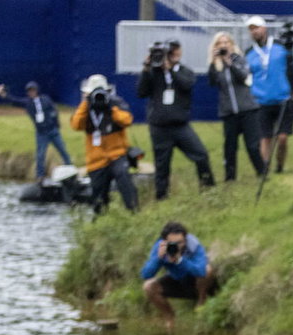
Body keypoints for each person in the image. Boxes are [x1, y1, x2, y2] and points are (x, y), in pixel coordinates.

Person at [138, 40, 215, 200]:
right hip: (159, 126)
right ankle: (161, 197)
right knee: (162, 165)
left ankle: (209, 190)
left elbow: (186, 85)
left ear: (179, 53)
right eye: (169, 52)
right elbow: (141, 92)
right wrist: (146, 69)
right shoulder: (154, 72)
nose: (171, 55)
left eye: (173, 52)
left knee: (201, 155)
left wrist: (170, 69)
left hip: (180, 125)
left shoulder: (185, 71)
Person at [70, 75, 138, 213]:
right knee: (98, 196)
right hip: (96, 159)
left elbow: (127, 121)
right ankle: (100, 218)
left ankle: (134, 211)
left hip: (117, 154)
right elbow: (76, 125)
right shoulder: (86, 108)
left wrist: (110, 107)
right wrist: (85, 103)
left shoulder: (116, 103)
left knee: (124, 180)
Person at [206, 33, 265, 183]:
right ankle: (230, 178)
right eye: (220, 43)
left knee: (252, 145)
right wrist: (215, 62)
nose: (224, 45)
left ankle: (262, 173)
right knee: (230, 147)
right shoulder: (216, 65)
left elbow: (244, 76)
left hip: (248, 109)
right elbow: (212, 82)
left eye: (226, 42)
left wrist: (229, 62)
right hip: (229, 112)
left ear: (232, 44)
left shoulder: (240, 59)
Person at [246, 16, 293, 175]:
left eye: (256, 27)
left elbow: (292, 67)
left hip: (283, 98)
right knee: (265, 137)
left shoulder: (280, 47)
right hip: (261, 101)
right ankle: (264, 170)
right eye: (251, 29)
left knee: (282, 137)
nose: (255, 31)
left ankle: (279, 166)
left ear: (264, 28)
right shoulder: (249, 53)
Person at [0, 80, 72, 181]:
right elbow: (14, 101)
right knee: (40, 154)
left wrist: (56, 124)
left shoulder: (45, 99)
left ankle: (71, 169)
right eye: (29, 91)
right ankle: (40, 176)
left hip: (52, 130)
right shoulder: (28, 103)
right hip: (41, 133)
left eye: (33, 90)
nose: (31, 92)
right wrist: (4, 94)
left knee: (62, 149)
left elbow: (54, 110)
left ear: (37, 90)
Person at [140, 221, 212, 327]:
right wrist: (158, 258)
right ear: (165, 241)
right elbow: (145, 274)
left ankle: (201, 301)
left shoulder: (193, 245)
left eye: (180, 242)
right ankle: (169, 317)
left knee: (208, 269)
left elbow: (201, 271)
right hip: (176, 280)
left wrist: (180, 260)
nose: (178, 246)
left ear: (185, 238)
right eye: (173, 243)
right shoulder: (160, 247)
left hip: (194, 279)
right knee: (148, 286)